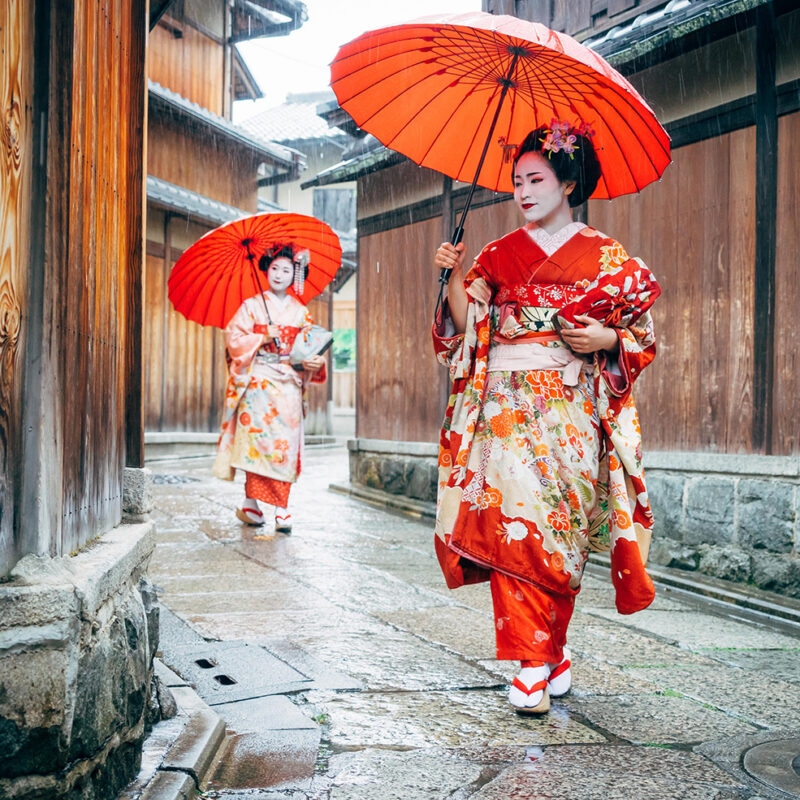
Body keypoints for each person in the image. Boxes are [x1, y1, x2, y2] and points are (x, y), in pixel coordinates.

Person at [432, 122, 661, 715]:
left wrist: (607, 335)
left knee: (563, 531)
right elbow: (466, 329)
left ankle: (551, 649)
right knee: (516, 527)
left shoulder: (608, 256)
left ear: (568, 183)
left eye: (536, 179)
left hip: (572, 410)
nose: (523, 192)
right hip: (506, 408)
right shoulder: (498, 254)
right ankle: (530, 665)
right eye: (516, 181)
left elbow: (640, 337)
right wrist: (453, 275)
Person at [213, 243, 326, 535]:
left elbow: (309, 349)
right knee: (255, 443)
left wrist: (314, 361)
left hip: (288, 382)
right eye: (274, 267)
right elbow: (233, 339)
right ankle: (251, 502)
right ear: (266, 269)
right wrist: (262, 337)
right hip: (258, 381)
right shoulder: (251, 306)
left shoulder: (301, 313)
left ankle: (282, 507)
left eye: (286, 269)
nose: (278, 274)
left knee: (283, 445)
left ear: (294, 275)